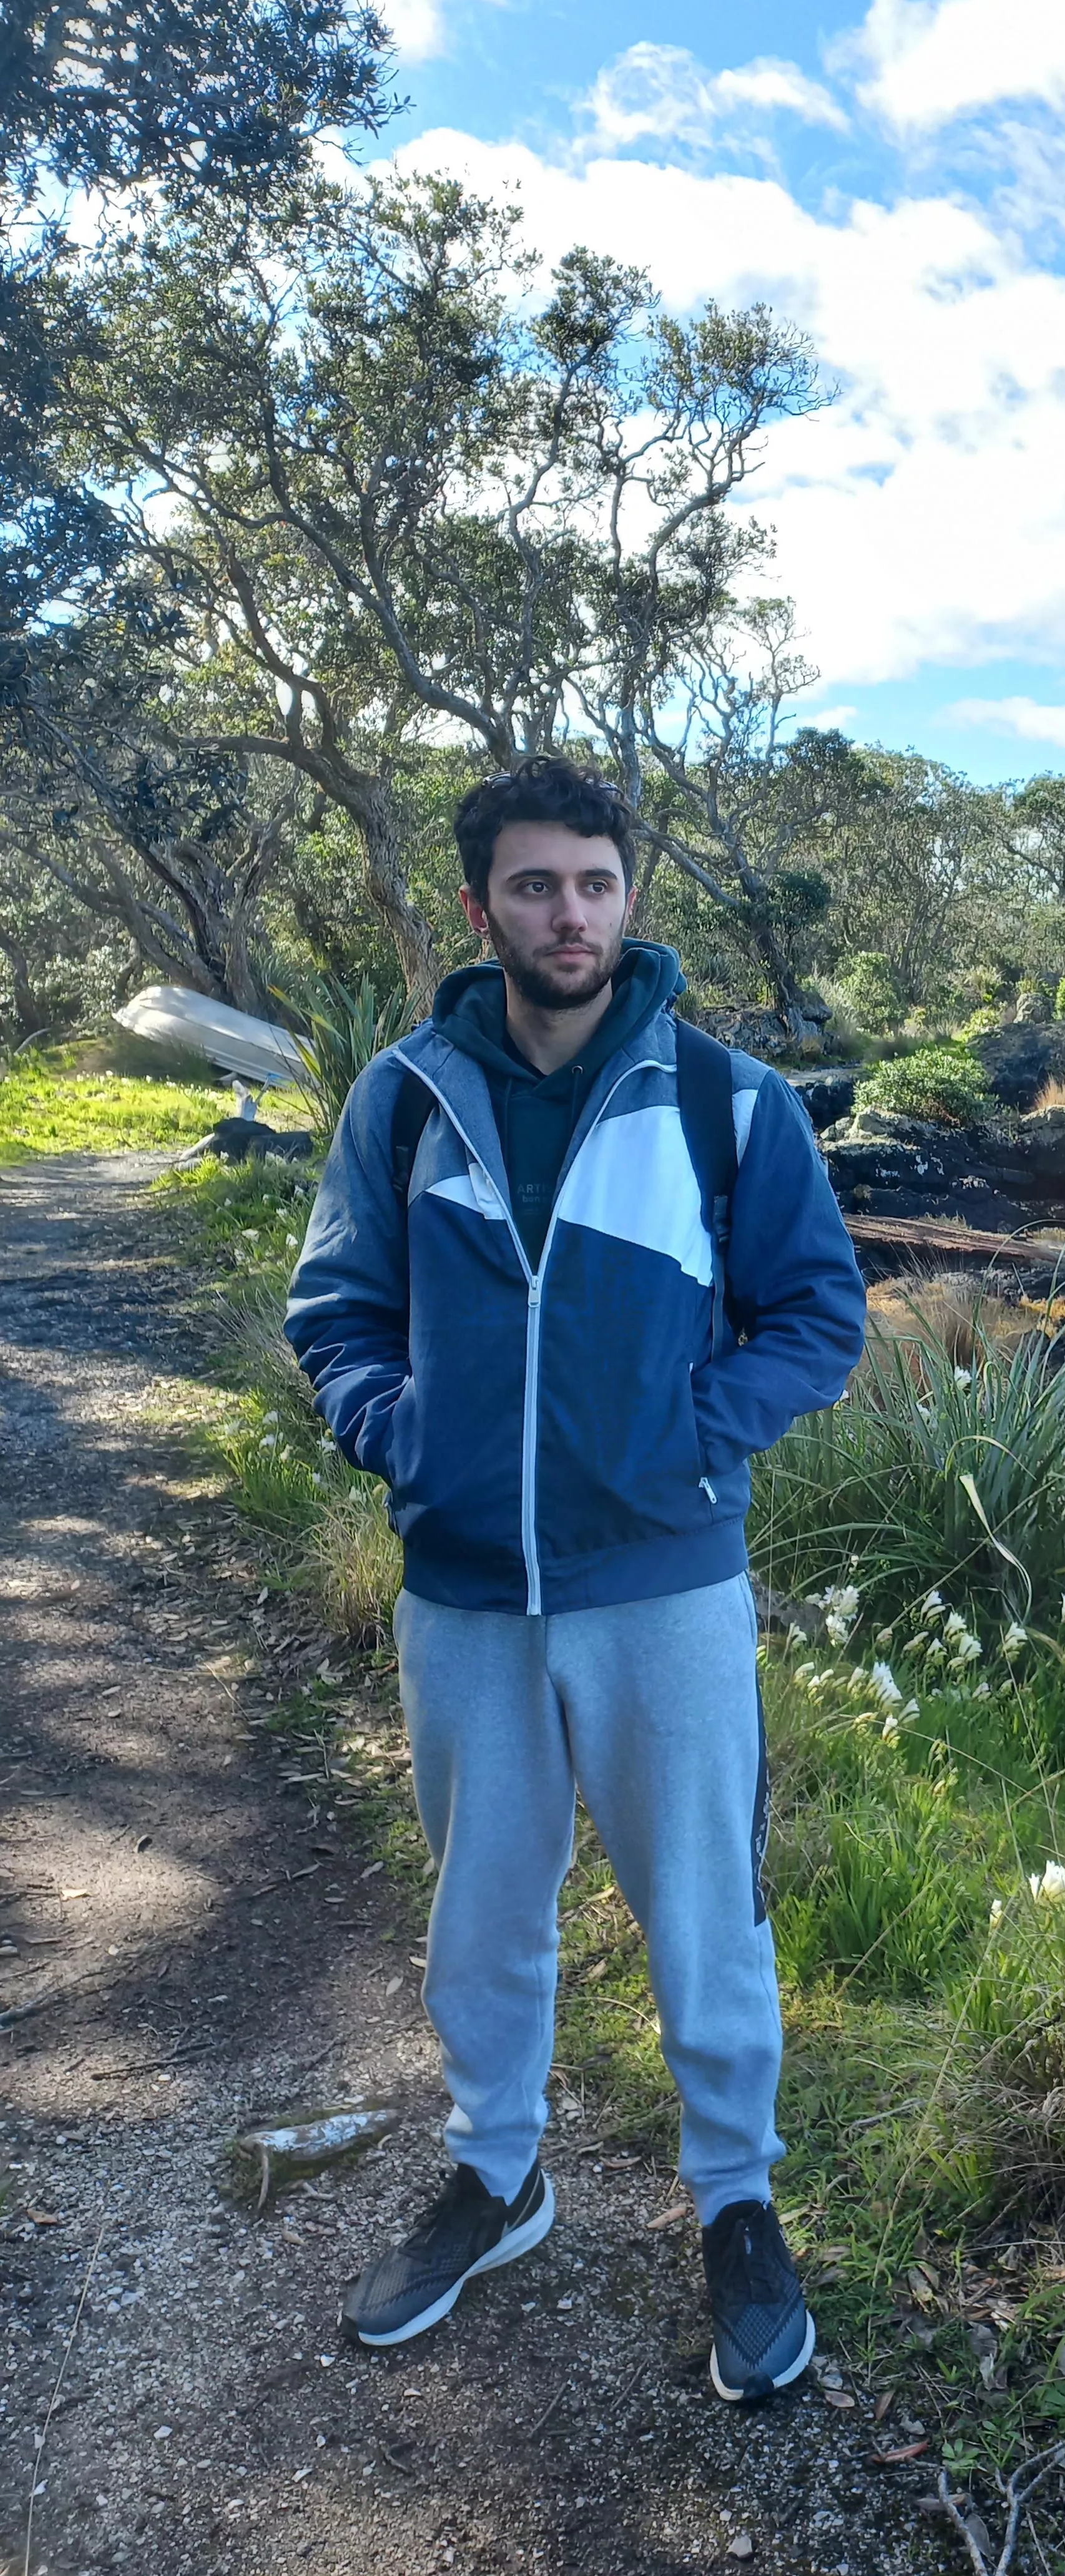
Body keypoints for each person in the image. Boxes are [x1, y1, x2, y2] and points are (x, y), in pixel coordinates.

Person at [286, 757, 866, 2401]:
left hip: (661, 1578)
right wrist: (404, 1436)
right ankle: (497, 2171)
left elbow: (816, 1313)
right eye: (535, 886)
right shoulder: (406, 1097)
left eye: (594, 885)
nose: (569, 914)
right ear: (481, 907)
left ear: (629, 899)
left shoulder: (719, 1100)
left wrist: (692, 1438)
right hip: (463, 1585)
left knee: (702, 1911)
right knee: (482, 1908)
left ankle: (737, 2201)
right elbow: (335, 1310)